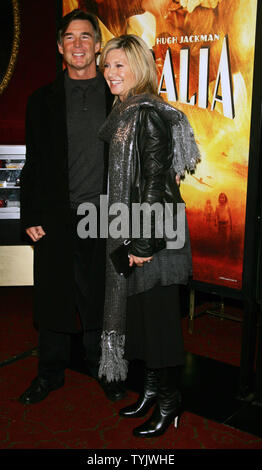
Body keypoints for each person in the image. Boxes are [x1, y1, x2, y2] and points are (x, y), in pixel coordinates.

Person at [19, 9, 126, 405]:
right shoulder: (40, 101)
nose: (78, 44)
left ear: (98, 47)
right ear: (59, 47)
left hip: (104, 216)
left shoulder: (119, 98)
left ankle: (106, 370)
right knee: (53, 297)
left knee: (102, 300)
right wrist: (30, 215)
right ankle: (50, 373)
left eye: (86, 37)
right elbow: (33, 164)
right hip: (55, 215)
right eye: (70, 37)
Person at [98, 34, 200, 437]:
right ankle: (153, 392)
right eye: (107, 65)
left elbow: (157, 183)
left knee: (159, 328)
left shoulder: (146, 113)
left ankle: (172, 403)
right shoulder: (126, 111)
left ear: (140, 67)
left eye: (119, 65)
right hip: (141, 233)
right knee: (143, 322)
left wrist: (141, 245)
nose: (110, 73)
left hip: (155, 238)